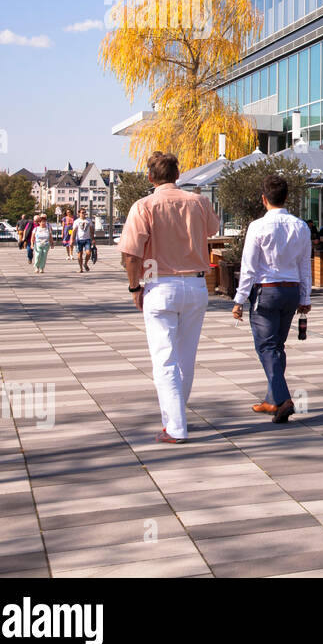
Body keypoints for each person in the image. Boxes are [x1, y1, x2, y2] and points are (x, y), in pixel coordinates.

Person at [119, 151, 220, 443]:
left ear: (150, 177)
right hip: (197, 284)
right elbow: (213, 230)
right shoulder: (199, 202)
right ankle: (177, 414)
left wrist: (134, 287)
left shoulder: (144, 206)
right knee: (186, 356)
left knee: (164, 358)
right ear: (178, 175)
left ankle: (175, 425)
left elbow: (131, 253)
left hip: (160, 283)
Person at [232, 174, 310, 424]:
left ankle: (284, 399)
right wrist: (305, 296)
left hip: (266, 290)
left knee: (266, 347)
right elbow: (305, 265)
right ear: (287, 197)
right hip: (291, 290)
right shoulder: (300, 226)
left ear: (264, 199)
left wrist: (240, 298)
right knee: (276, 346)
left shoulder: (257, 226)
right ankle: (272, 399)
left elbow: (249, 267)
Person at [73, 207, 95, 273]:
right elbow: (74, 231)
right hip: (79, 240)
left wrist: (93, 239)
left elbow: (91, 230)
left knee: (88, 253)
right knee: (79, 255)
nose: (83, 214)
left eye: (85, 212)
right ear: (79, 213)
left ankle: (85, 263)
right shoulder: (76, 221)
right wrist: (72, 239)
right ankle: (81, 268)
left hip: (87, 239)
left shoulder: (89, 220)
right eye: (82, 213)